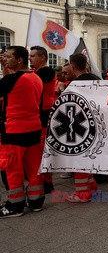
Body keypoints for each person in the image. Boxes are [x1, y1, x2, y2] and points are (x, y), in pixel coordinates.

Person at [0, 46, 44, 217]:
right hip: (33, 128)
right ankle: (36, 201)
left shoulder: (13, 79)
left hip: (14, 130)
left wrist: (5, 70)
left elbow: (5, 86)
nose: (5, 59)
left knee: (12, 169)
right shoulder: (36, 78)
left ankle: (15, 205)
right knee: (34, 169)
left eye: (8, 57)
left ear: (19, 60)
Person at [64, 53, 101, 203]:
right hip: (97, 124)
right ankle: (92, 187)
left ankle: (83, 194)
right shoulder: (97, 79)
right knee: (88, 159)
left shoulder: (74, 85)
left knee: (78, 160)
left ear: (72, 66)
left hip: (80, 127)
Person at [29, 46, 56, 194]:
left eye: (33, 56)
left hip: (44, 115)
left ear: (43, 58)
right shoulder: (36, 72)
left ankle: (46, 182)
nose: (30, 58)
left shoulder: (46, 71)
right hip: (39, 115)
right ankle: (44, 181)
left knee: (42, 151)